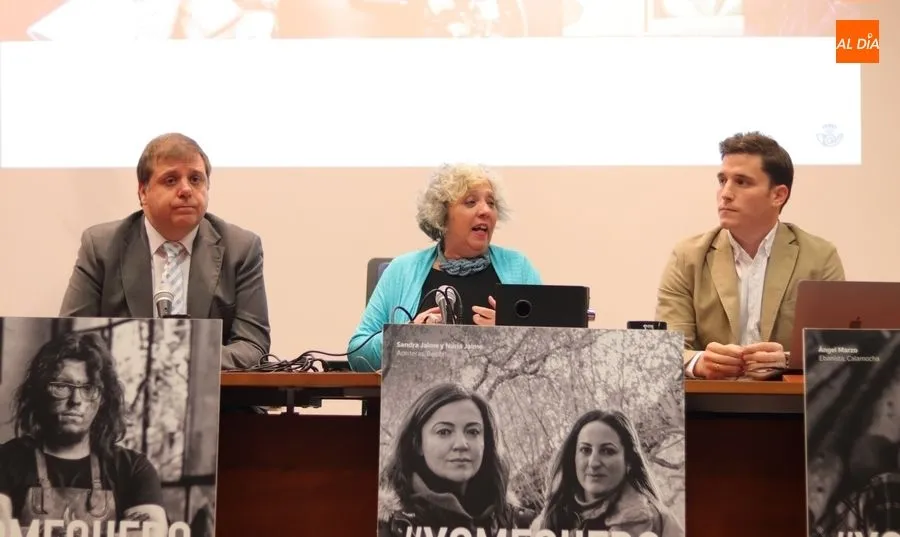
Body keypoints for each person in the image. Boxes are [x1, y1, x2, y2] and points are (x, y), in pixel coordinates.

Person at [58, 133, 271, 370]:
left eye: (195, 179)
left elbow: (253, 347)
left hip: (217, 391)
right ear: (143, 192)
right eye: (171, 180)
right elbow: (71, 337)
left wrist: (182, 359)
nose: (186, 190)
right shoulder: (101, 247)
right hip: (122, 389)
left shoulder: (241, 249)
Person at [655, 131, 845, 380]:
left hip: (788, 400)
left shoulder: (819, 257)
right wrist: (699, 362)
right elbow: (665, 350)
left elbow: (838, 351)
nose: (725, 193)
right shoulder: (688, 257)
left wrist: (788, 360)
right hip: (711, 399)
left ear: (778, 195)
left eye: (742, 182)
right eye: (722, 180)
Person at [347, 163, 541, 371]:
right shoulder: (401, 271)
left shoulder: (518, 268)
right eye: (471, 202)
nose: (486, 210)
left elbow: (555, 350)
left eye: (491, 203)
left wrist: (510, 336)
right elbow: (357, 354)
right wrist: (407, 337)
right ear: (442, 215)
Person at [0, 331, 167, 536]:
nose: (76, 400)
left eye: (89, 388)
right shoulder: (5, 460)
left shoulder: (132, 469)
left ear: (103, 399)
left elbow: (151, 533)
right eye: (61, 386)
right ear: (40, 391)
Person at [378, 382, 534, 537]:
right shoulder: (385, 526)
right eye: (444, 432)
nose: (461, 444)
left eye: (473, 432)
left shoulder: (523, 526)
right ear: (417, 443)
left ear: (486, 442)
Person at [531, 410, 683, 537]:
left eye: (607, 451)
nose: (594, 463)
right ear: (573, 458)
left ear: (629, 461)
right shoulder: (545, 523)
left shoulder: (660, 523)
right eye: (585, 450)